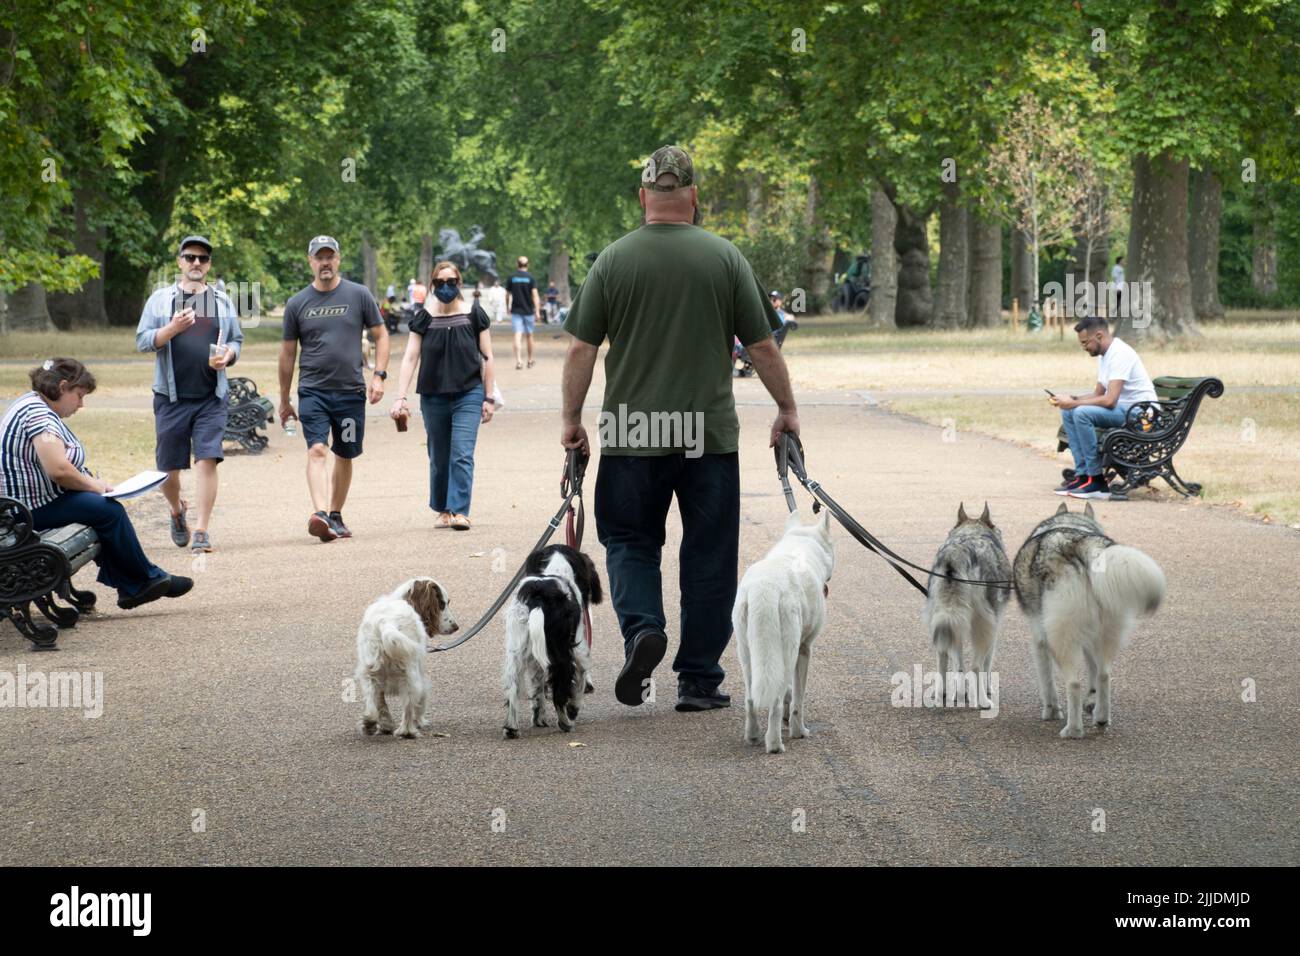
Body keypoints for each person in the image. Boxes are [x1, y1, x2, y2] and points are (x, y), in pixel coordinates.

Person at [560, 144, 798, 713]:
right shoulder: (725, 259)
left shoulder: (613, 261)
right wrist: (787, 409)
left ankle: (644, 629)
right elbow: (762, 345)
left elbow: (581, 349)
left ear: (644, 197)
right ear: (693, 198)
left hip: (632, 433)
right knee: (709, 554)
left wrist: (572, 421)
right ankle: (698, 678)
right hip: (707, 436)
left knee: (629, 542)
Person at [0, 359, 193, 609]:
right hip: (22, 512)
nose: (81, 404)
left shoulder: (34, 404)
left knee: (100, 509)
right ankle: (143, 582)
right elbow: (58, 470)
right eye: (79, 396)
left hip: (28, 504)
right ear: (62, 386)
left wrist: (92, 482)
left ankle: (138, 584)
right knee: (106, 510)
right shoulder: (38, 416)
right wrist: (95, 486)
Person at [135, 235, 244, 554]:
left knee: (208, 458)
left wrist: (230, 356)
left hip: (212, 396)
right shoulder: (160, 300)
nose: (197, 263)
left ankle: (201, 530)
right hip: (171, 397)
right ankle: (176, 510)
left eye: (203, 258)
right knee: (168, 467)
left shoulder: (222, 301)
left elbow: (236, 339)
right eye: (190, 257)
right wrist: (171, 329)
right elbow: (142, 341)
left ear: (209, 265)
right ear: (180, 262)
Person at [278, 235, 390, 541]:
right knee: (317, 449)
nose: (325, 262)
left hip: (351, 393)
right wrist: (285, 398)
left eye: (330, 256)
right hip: (313, 391)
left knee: (345, 452)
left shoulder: (359, 295)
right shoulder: (297, 303)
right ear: (310, 261)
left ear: (338, 259)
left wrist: (379, 375)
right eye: (319, 257)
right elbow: (288, 353)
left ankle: (336, 514)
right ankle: (321, 514)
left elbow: (381, 335)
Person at [390, 260, 496, 530]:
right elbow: (411, 357)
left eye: (451, 282)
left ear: (459, 283)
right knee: (439, 455)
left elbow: (488, 357)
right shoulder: (424, 317)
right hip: (433, 395)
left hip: (468, 393)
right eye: (439, 283)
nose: (445, 287)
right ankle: (442, 509)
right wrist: (400, 397)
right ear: (432, 285)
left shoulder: (474, 314)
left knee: (461, 452)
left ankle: (460, 510)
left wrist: (489, 397)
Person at [1051, 315, 1157, 501]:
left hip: (1140, 415)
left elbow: (1109, 400)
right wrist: (1070, 400)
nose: (1083, 347)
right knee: (1068, 411)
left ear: (1099, 336)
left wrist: (1075, 404)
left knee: (1081, 412)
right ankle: (1084, 476)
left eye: (1085, 343)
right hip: (1124, 411)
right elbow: (1097, 393)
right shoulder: (1104, 355)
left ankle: (1097, 480)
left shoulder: (1120, 354)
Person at [506, 256, 542, 369]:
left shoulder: (512, 277)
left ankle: (519, 361)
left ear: (517, 264)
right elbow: (535, 295)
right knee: (529, 335)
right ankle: (530, 360)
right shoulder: (531, 278)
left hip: (516, 310)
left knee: (517, 335)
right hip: (529, 311)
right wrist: (537, 311)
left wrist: (507, 306)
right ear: (528, 265)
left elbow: (507, 295)